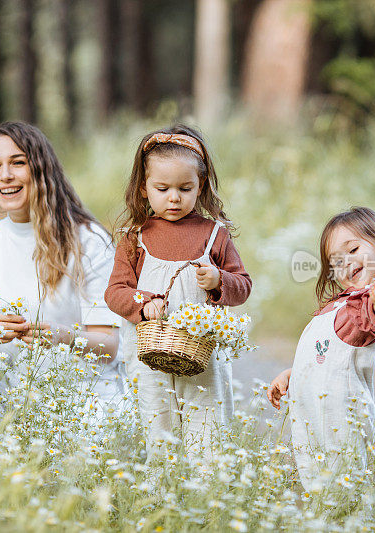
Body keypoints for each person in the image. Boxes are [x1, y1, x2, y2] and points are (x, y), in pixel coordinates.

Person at [104, 125, 252, 459]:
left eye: (185, 188)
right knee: (158, 427)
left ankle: (206, 497)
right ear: (144, 188)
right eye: (163, 188)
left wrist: (218, 282)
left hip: (202, 355)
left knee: (208, 425)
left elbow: (242, 285)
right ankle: (162, 494)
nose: (174, 197)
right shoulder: (134, 237)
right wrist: (144, 304)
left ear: (200, 187)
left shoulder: (214, 235)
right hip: (149, 354)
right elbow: (115, 291)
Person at [0, 121, 123, 404]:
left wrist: (63, 337)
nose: (5, 176)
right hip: (7, 390)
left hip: (78, 392)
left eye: (18, 163)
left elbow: (110, 345)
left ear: (42, 169)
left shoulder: (89, 241)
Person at [267, 206, 375, 491]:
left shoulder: (372, 300)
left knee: (347, 480)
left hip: (341, 415)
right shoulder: (337, 306)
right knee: (315, 481)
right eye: (336, 260)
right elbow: (326, 357)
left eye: (354, 249)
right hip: (310, 414)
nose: (346, 262)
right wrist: (293, 374)